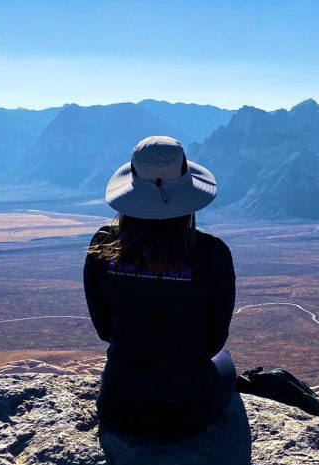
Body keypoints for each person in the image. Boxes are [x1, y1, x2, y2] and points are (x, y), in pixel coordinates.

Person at [84, 136, 236, 439]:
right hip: (188, 411)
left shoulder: (104, 245)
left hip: (120, 407)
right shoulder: (212, 254)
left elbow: (105, 330)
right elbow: (214, 341)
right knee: (226, 361)